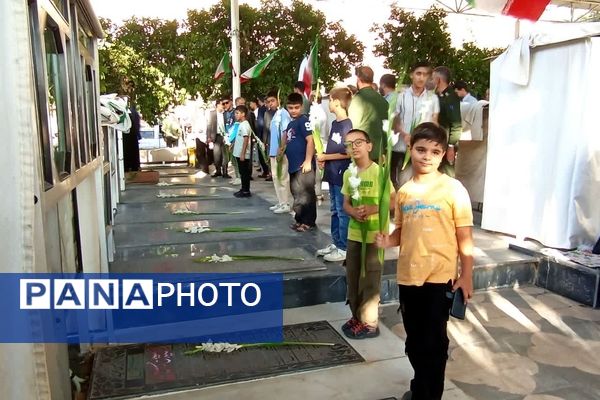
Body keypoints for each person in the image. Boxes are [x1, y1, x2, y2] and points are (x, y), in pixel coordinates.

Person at [375, 122, 474, 400]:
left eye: (435, 151)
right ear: (410, 150)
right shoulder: (405, 191)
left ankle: (429, 396)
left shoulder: (454, 189)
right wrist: (387, 240)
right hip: (408, 278)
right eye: (421, 149)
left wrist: (466, 276)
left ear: (443, 155)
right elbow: (403, 233)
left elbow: (464, 237)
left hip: (438, 279)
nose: (427, 156)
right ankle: (420, 389)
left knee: (433, 343)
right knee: (415, 342)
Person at [341, 129, 390, 339]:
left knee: (370, 279)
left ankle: (369, 323)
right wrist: (353, 211)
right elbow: (346, 203)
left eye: (359, 142)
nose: (354, 147)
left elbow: (392, 201)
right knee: (353, 277)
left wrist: (371, 209)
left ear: (369, 146)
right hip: (354, 235)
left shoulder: (380, 173)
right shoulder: (348, 173)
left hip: (374, 237)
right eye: (349, 143)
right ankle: (356, 315)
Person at [316, 87, 353, 262]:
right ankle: (336, 241)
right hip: (331, 171)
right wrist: (324, 159)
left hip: (341, 173)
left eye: (330, 100)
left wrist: (326, 156)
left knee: (341, 210)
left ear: (337, 102)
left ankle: (344, 247)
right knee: (333, 210)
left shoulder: (347, 125)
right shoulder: (335, 124)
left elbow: (347, 152)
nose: (328, 103)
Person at [392, 61, 439, 190]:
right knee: (402, 183)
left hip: (424, 149)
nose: (421, 78)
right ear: (411, 75)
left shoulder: (432, 99)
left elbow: (434, 122)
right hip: (402, 147)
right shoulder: (400, 97)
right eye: (418, 73)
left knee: (422, 184)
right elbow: (394, 120)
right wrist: (404, 134)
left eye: (425, 75)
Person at [285, 92, 316, 232]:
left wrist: (308, 160)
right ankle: (299, 219)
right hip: (293, 167)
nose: (293, 110)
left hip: (303, 166)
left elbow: (310, 140)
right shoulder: (291, 123)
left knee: (306, 195)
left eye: (296, 107)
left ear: (302, 107)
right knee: (296, 194)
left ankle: (308, 221)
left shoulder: (304, 120)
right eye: (290, 108)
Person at [348, 66, 388, 161]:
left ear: (358, 79)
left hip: (363, 154)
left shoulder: (357, 100)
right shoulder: (383, 101)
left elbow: (354, 127)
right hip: (380, 153)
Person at [266, 90, 292, 214]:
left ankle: (286, 203)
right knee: (276, 177)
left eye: (272, 101)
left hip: (281, 151)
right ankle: (281, 201)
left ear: (278, 100)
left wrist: (281, 148)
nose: (270, 103)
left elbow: (285, 132)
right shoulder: (276, 114)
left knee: (282, 177)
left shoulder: (283, 114)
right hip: (273, 151)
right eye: (268, 101)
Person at [433, 66, 462, 177]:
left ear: (438, 80)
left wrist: (451, 146)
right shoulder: (438, 96)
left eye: (432, 78)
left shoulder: (450, 97)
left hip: (446, 142)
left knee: (447, 173)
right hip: (438, 140)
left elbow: (456, 124)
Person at [309, 92, 329, 203]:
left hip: (318, 143)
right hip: (322, 141)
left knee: (317, 170)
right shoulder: (322, 111)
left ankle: (317, 192)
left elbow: (314, 129)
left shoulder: (316, 112)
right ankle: (318, 192)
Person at [232, 105, 252, 198]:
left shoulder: (245, 125)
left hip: (242, 153)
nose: (236, 115)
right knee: (241, 171)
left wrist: (243, 153)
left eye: (237, 113)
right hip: (238, 152)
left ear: (243, 114)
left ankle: (246, 190)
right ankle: (243, 188)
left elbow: (246, 139)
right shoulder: (241, 124)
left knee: (244, 173)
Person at [211, 97, 233, 179]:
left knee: (225, 155)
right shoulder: (212, 114)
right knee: (216, 155)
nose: (223, 106)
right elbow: (209, 126)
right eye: (222, 104)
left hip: (225, 136)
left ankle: (225, 172)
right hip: (216, 136)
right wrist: (209, 137)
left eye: (224, 104)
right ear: (217, 105)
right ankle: (218, 171)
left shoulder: (226, 114)